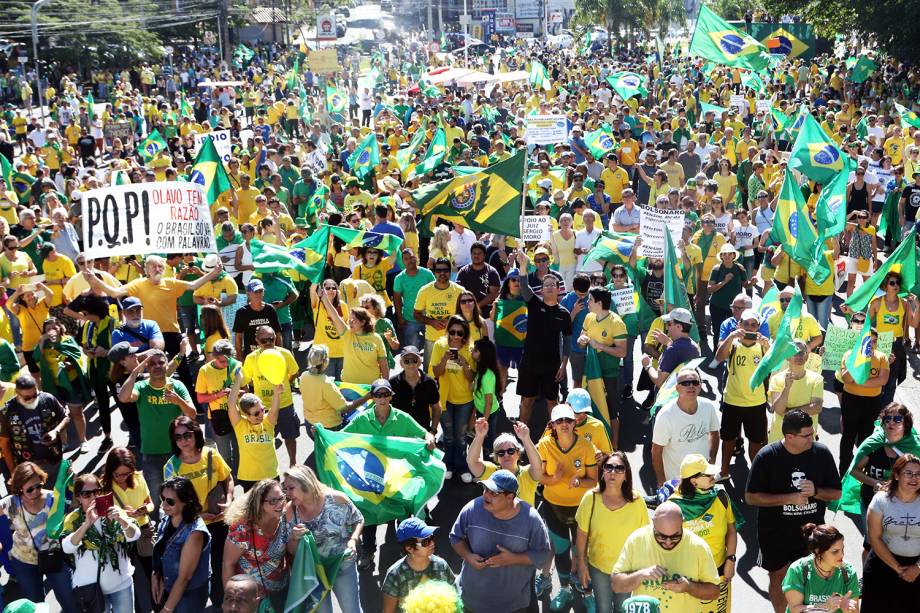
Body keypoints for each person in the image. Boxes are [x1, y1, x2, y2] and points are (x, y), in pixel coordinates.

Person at [745, 410, 842, 613]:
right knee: (778, 577)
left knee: (812, 578)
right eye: (806, 435)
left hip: (811, 535)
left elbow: (836, 493)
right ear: (789, 437)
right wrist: (788, 498)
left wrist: (816, 491)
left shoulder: (821, 453)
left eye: (812, 432)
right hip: (775, 533)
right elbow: (751, 496)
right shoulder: (767, 456)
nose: (813, 438)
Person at [343, 377, 436, 571]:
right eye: (378, 394)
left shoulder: (402, 418)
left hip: (397, 474)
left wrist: (430, 438)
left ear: (391, 396)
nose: (382, 398)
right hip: (371, 476)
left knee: (401, 510)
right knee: (369, 512)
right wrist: (320, 433)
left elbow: (423, 434)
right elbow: (342, 437)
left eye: (386, 394)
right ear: (372, 397)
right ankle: (368, 550)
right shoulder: (362, 419)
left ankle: (406, 548)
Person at [449, 469, 551, 613]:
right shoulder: (472, 509)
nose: (486, 495)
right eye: (485, 489)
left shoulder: (531, 519)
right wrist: (468, 556)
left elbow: (543, 553)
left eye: (493, 492)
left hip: (511, 606)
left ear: (510, 497)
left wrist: (514, 559)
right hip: (471, 600)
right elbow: (455, 537)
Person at [163, 415, 234, 608]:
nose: (183, 441)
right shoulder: (171, 467)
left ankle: (221, 604)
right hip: (192, 527)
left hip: (218, 521)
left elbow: (227, 479)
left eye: (187, 435)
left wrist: (228, 500)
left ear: (196, 434)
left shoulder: (211, 455)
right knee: (196, 572)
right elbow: (170, 504)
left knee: (221, 565)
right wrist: (195, 516)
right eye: (178, 437)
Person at [536, 403, 599, 609]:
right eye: (559, 420)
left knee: (582, 552)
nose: (564, 424)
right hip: (554, 507)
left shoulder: (586, 446)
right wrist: (555, 478)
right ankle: (565, 590)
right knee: (562, 551)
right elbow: (540, 478)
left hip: (581, 507)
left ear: (574, 423)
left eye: (568, 420)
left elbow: (594, 480)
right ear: (553, 424)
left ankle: (587, 590)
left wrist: (580, 482)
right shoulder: (544, 445)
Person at [611, 501, 721, 611]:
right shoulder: (636, 540)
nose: (668, 542)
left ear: (682, 523)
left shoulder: (698, 547)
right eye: (661, 537)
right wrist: (641, 575)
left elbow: (714, 592)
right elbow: (616, 585)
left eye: (675, 536)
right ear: (653, 524)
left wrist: (689, 587)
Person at [574, 451, 649, 613]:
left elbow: (646, 537)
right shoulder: (590, 498)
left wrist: (643, 570)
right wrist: (581, 562)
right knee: (604, 608)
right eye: (608, 467)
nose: (613, 472)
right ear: (602, 472)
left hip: (628, 570)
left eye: (619, 468)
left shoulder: (637, 502)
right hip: (599, 567)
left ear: (626, 475)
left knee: (623, 609)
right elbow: (581, 533)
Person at [283, 464, 364, 613]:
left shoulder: (336, 499)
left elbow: (358, 519)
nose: (287, 493)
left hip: (342, 564)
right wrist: (294, 538)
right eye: (285, 488)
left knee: (351, 610)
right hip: (314, 572)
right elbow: (292, 551)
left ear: (305, 483)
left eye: (291, 488)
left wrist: (353, 540)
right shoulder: (290, 510)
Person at [118, 350, 197, 499]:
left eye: (161, 362)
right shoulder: (141, 387)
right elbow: (123, 397)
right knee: (155, 498)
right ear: (147, 367)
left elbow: (192, 414)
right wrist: (135, 372)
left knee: (182, 496)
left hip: (178, 451)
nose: (157, 366)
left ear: (167, 364)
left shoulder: (177, 385)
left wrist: (179, 401)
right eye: (152, 364)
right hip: (151, 453)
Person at [669, 454, 741, 613]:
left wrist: (731, 559)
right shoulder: (673, 507)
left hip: (719, 573)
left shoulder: (721, 496)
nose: (713, 476)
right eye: (707, 475)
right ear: (693, 481)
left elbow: (731, 529)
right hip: (689, 578)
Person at [0, 462, 75, 612]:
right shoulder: (10, 503)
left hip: (53, 557)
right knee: (34, 608)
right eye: (29, 489)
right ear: (19, 487)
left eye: (38, 486)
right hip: (24, 562)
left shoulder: (52, 498)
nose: (35, 491)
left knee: (70, 602)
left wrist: (72, 478)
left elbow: (75, 502)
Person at [61, 473, 141, 613]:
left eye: (96, 492)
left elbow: (135, 535)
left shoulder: (114, 511)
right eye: (86, 494)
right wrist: (86, 525)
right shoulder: (72, 519)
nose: (93, 497)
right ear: (78, 497)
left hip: (121, 584)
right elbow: (67, 548)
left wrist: (121, 520)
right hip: (90, 588)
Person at [514, 249, 572, 427]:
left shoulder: (564, 314)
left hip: (551, 364)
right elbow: (524, 286)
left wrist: (563, 365)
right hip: (530, 361)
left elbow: (567, 341)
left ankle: (553, 438)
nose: (548, 287)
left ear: (557, 289)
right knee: (527, 401)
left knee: (552, 402)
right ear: (542, 289)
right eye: (545, 285)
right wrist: (523, 266)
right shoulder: (534, 304)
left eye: (552, 285)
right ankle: (521, 438)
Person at [714, 308, 771, 477]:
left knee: (755, 441)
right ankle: (724, 470)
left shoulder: (762, 346)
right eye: (746, 324)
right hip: (733, 400)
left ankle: (756, 474)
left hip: (756, 401)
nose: (749, 328)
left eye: (754, 325)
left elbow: (772, 366)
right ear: (739, 324)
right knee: (728, 438)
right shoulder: (733, 343)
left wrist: (767, 346)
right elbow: (719, 356)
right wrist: (731, 337)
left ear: (758, 327)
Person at [223, 479, 292, 613]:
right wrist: (231, 599)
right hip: (249, 597)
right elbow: (228, 563)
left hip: (281, 589)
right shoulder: (241, 528)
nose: (280, 504)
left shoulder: (286, 518)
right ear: (259, 503)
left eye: (281, 498)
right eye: (272, 501)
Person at [862, 453, 920, 610]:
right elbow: (874, 538)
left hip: (917, 570)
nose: (914, 478)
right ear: (896, 475)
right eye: (908, 473)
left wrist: (918, 567)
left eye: (918, 474)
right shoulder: (881, 500)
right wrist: (898, 568)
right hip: (882, 567)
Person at [102, 446, 155, 607]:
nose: (121, 478)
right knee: (129, 579)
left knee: (150, 573)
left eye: (126, 473)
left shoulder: (138, 478)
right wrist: (121, 516)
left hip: (144, 533)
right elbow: (102, 519)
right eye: (117, 474)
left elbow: (150, 503)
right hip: (121, 538)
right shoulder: (103, 486)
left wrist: (142, 510)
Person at [240, 325, 300, 466]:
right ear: (257, 340)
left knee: (290, 436)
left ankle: (293, 464)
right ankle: (268, 467)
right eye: (263, 340)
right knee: (266, 439)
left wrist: (286, 382)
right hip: (263, 408)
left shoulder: (285, 354)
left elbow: (295, 372)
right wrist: (249, 398)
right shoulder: (251, 358)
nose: (268, 343)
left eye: (271, 339)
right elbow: (245, 380)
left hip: (285, 404)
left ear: (276, 338)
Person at [651, 367, 720, 486]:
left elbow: (714, 433)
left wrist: (711, 462)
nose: (691, 386)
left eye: (695, 382)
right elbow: (656, 451)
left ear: (700, 386)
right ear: (677, 388)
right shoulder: (665, 415)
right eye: (686, 383)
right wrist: (662, 483)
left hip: (703, 479)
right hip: (677, 482)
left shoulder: (708, 407)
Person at [577, 286, 628, 448]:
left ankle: (614, 447)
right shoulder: (589, 318)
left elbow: (622, 352)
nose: (587, 302)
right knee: (591, 408)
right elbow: (580, 341)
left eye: (590, 300)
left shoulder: (617, 323)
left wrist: (599, 345)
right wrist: (582, 340)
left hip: (609, 373)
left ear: (599, 303)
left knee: (611, 410)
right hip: (591, 373)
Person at [152, 476, 211, 613]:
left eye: (170, 501)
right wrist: (156, 575)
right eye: (162, 499)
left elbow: (185, 578)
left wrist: (167, 609)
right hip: (169, 587)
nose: (163, 505)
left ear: (186, 502)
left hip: (190, 595)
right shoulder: (167, 518)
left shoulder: (194, 533)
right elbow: (161, 550)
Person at [839, 325, 890, 474]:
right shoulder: (849, 355)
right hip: (851, 400)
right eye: (868, 341)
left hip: (872, 403)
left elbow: (882, 380)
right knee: (848, 436)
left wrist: (859, 380)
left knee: (866, 436)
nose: (871, 344)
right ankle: (844, 470)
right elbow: (846, 378)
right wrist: (857, 357)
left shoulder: (881, 357)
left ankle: (861, 469)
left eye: (874, 342)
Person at [429, 315, 475, 480]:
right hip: (444, 399)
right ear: (448, 331)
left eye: (460, 333)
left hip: (464, 400)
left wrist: (464, 364)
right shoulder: (439, 345)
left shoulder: (470, 349)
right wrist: (444, 360)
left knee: (461, 436)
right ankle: (448, 464)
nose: (456, 336)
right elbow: (436, 373)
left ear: (465, 334)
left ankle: (462, 467)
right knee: (448, 436)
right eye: (453, 332)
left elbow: (471, 378)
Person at [382, 518, 456, 613]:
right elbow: (388, 611)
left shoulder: (441, 565)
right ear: (409, 548)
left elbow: (454, 596)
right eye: (426, 541)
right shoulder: (395, 574)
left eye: (432, 538)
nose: (432, 543)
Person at [0, 374, 68, 476]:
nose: (32, 399)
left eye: (35, 395)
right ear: (17, 393)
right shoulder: (7, 411)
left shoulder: (47, 399)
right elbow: (4, 443)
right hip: (29, 469)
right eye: (27, 398)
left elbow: (66, 417)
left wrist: (56, 431)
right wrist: (13, 473)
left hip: (54, 459)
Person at [782, 524, 860, 613]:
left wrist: (848, 609)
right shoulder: (797, 570)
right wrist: (824, 607)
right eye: (835, 552)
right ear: (817, 551)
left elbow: (856, 610)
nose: (841, 555)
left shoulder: (848, 572)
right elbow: (794, 609)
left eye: (842, 549)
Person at [228, 369, 283, 490]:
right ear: (246, 415)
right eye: (256, 413)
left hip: (271, 476)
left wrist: (277, 393)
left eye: (263, 409)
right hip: (249, 479)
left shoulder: (268, 422)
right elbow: (231, 404)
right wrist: (238, 379)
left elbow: (274, 410)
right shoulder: (240, 425)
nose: (261, 415)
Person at [320, 291, 388, 384]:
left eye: (354, 321)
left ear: (363, 322)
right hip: (349, 387)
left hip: (371, 388)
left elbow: (383, 364)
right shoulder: (347, 334)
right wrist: (324, 298)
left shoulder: (376, 338)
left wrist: (385, 385)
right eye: (349, 320)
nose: (350, 323)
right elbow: (335, 317)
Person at [766, 341, 824, 443]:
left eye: (802, 352)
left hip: (806, 441)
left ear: (806, 357)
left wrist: (787, 412)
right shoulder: (776, 379)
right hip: (779, 439)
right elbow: (779, 410)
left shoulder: (817, 379)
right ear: (787, 357)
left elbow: (817, 407)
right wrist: (786, 388)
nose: (799, 355)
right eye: (794, 352)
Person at [413, 257, 465, 360]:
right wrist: (432, 322)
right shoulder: (425, 291)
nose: (442, 273)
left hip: (455, 339)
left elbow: (467, 314)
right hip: (431, 340)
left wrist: (451, 321)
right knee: (430, 373)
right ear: (434, 272)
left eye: (445, 270)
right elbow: (416, 314)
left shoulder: (460, 291)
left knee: (453, 372)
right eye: (438, 270)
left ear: (450, 272)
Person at [640, 308, 700, 389]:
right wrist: (669, 343)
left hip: (668, 397)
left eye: (669, 324)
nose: (667, 327)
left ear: (679, 327)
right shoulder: (694, 346)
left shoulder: (672, 350)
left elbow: (660, 382)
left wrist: (648, 366)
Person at [299, 344, 352, 433]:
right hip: (329, 428)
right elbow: (344, 407)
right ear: (325, 361)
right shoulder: (325, 382)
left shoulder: (304, 376)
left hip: (310, 424)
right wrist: (366, 397)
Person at [389, 345, 441, 434]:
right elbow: (386, 407)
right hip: (398, 432)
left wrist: (433, 430)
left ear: (420, 362)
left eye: (414, 360)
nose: (411, 364)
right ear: (401, 364)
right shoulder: (393, 383)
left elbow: (436, 407)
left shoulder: (429, 382)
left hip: (422, 432)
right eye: (406, 361)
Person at [232, 279, 282, 359]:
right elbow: (238, 336)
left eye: (261, 291)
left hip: (270, 354)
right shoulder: (242, 312)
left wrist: (280, 353)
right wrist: (239, 356)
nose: (258, 294)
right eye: (255, 291)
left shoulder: (270, 309)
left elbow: (278, 333)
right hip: (251, 355)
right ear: (248, 294)